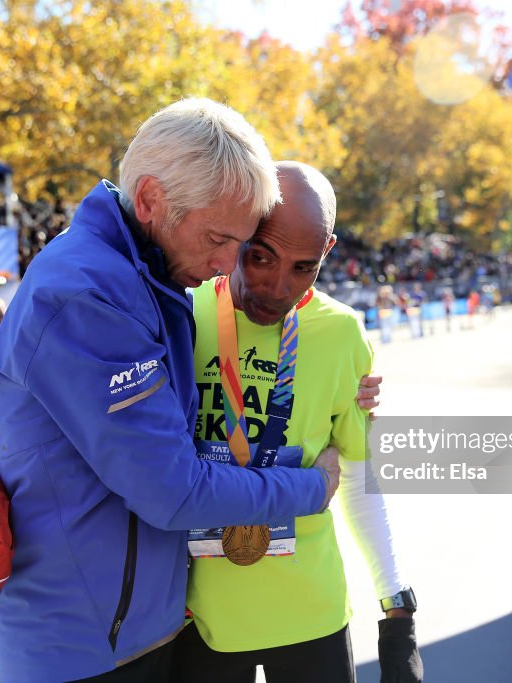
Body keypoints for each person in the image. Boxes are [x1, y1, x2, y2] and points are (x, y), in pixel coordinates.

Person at [0, 98, 341, 682]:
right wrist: (309, 488)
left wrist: (345, 375)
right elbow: (172, 493)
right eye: (220, 239)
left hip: (142, 624)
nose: (227, 266)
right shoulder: (88, 294)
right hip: (85, 646)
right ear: (149, 200)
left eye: (241, 245)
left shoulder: (146, 270)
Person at [171, 162, 421, 683]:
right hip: (199, 621)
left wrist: (397, 608)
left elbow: (357, 478)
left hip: (313, 618)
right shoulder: (183, 312)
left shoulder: (340, 332)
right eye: (260, 256)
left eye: (303, 267)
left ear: (327, 252)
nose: (276, 285)